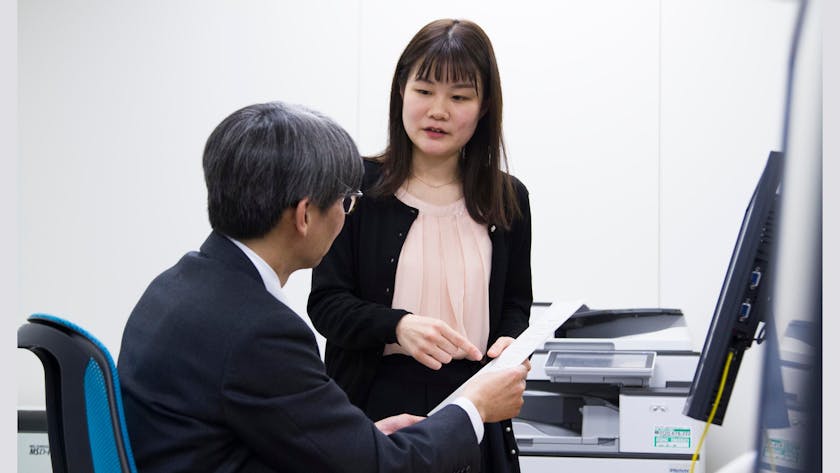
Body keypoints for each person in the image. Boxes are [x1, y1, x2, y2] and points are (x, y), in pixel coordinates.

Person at [117, 101, 530, 473]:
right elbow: (384, 468)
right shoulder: (262, 333)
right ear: (304, 216)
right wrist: (475, 405)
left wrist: (363, 439)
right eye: (345, 203)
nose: (347, 215)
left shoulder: (174, 287)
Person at [308, 19, 532, 473]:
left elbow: (515, 303)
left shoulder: (509, 197)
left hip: (475, 402)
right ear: (401, 91)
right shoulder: (356, 185)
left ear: (485, 107)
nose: (438, 111)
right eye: (424, 90)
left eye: (460, 97)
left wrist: (511, 343)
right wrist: (398, 326)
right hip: (377, 406)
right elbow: (327, 304)